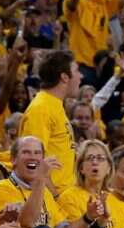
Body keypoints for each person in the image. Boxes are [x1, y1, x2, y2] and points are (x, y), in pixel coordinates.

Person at [19, 50, 82, 195]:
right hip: (51, 199)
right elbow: (31, 162)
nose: (81, 76)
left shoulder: (54, 105)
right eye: (77, 71)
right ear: (64, 77)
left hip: (66, 195)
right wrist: (55, 197)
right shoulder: (41, 109)